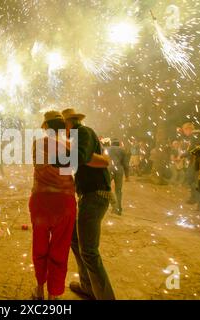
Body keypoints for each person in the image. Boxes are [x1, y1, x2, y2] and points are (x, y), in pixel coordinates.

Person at [62, 108, 115, 300]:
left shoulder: (83, 132)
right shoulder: (78, 136)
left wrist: (63, 149)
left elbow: (80, 157)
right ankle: (87, 286)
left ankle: (105, 297)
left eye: (63, 126)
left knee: (90, 251)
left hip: (95, 195)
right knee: (75, 239)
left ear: (69, 123)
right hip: (89, 194)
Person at [29, 111, 77, 300]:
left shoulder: (38, 144)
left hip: (41, 201)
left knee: (39, 247)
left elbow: (39, 167)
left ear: (46, 127)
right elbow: (71, 170)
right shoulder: (70, 146)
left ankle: (40, 289)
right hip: (65, 203)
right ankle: (53, 297)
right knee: (60, 250)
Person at [105, 138, 129, 215]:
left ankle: (111, 206)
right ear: (118, 144)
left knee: (106, 188)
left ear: (111, 143)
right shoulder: (122, 150)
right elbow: (125, 164)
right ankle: (118, 209)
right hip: (119, 170)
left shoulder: (107, 149)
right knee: (118, 190)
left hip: (108, 169)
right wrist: (127, 176)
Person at [179, 122, 200, 204]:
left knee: (192, 179)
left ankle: (197, 200)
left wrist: (183, 155)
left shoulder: (195, 136)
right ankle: (194, 198)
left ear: (188, 129)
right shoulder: (196, 136)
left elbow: (194, 149)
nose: (184, 133)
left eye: (184, 130)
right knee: (192, 180)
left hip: (195, 161)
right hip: (195, 161)